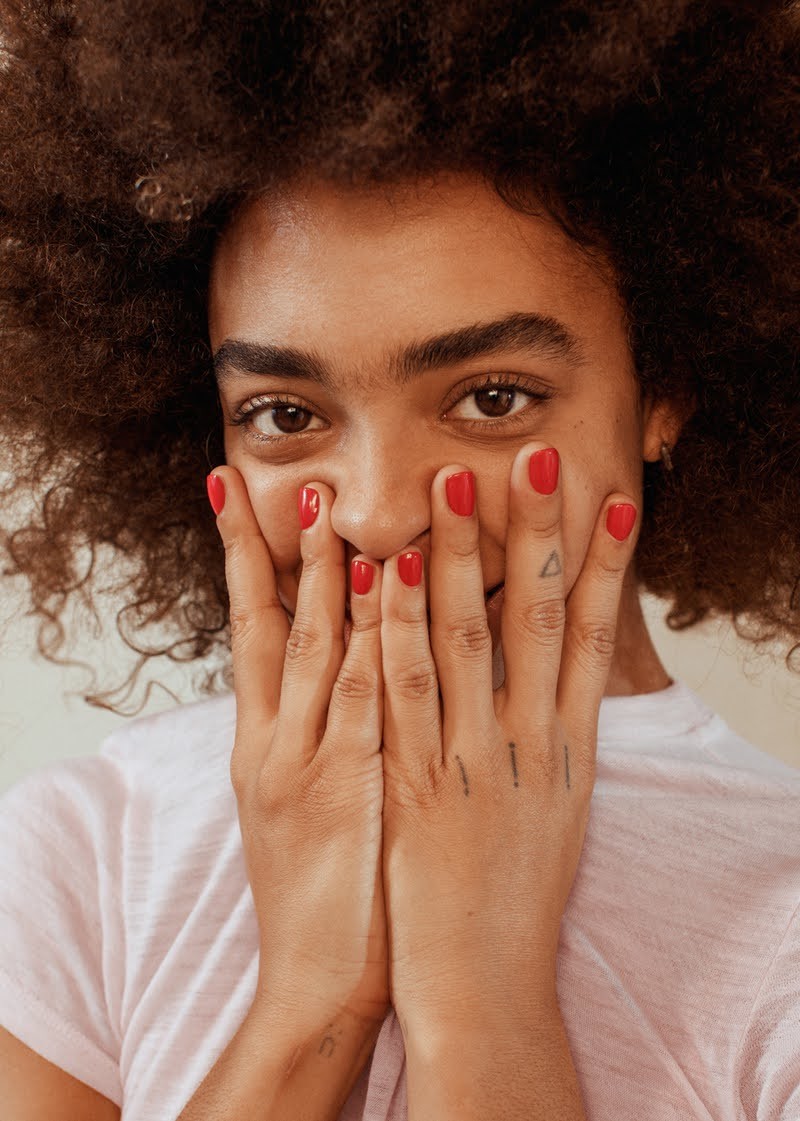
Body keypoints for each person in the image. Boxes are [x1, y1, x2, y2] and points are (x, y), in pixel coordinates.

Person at [0, 1, 798, 1119]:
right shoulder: (86, 851)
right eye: (284, 412)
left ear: (663, 387)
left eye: (489, 398)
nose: (375, 515)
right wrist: (308, 1000)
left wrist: (483, 1006)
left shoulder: (779, 912)